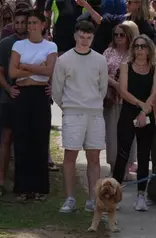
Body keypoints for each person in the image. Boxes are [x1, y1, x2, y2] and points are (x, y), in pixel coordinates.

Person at [52, 20, 106, 210]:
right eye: (81, 37)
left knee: (94, 156)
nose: (84, 41)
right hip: (73, 113)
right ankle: (70, 199)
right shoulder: (64, 60)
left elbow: (103, 89)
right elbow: (56, 90)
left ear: (93, 38)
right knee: (70, 155)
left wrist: (92, 105)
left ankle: (93, 199)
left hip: (95, 114)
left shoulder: (100, 60)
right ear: (75, 36)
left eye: (88, 38)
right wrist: (68, 107)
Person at [8, 10, 57, 200]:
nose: (30, 26)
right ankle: (22, 187)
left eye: (35, 22)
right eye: (29, 23)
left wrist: (25, 67)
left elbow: (49, 71)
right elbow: (12, 72)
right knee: (22, 139)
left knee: (40, 139)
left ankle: (40, 187)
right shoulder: (19, 44)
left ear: (43, 24)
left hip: (40, 96)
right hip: (22, 95)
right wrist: (37, 71)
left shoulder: (50, 46)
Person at [112, 35, 156, 211]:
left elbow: (154, 93)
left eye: (143, 46)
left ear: (149, 49)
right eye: (136, 46)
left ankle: (141, 196)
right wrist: (140, 105)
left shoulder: (154, 69)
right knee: (122, 154)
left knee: (144, 155)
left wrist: (145, 111)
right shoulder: (126, 67)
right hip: (129, 112)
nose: (139, 50)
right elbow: (123, 90)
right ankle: (114, 196)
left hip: (147, 114)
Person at [0, 7, 27, 197]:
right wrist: (8, 88)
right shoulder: (5, 43)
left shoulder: (36, 43)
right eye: (18, 22)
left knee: (24, 141)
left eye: (24, 22)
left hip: (29, 100)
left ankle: (22, 183)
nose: (20, 26)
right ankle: (1, 181)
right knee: (6, 138)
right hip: (8, 99)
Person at [104, 21, 137, 181]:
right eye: (116, 34)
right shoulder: (108, 52)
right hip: (112, 101)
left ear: (128, 36)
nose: (118, 37)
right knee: (111, 136)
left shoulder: (134, 54)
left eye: (122, 34)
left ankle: (125, 169)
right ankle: (113, 168)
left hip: (129, 102)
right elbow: (100, 73)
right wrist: (115, 84)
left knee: (128, 136)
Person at [77, 0, 154, 54]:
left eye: (130, 2)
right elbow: (101, 20)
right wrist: (85, 4)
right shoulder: (122, 18)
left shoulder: (146, 27)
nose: (126, 4)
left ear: (138, 3)